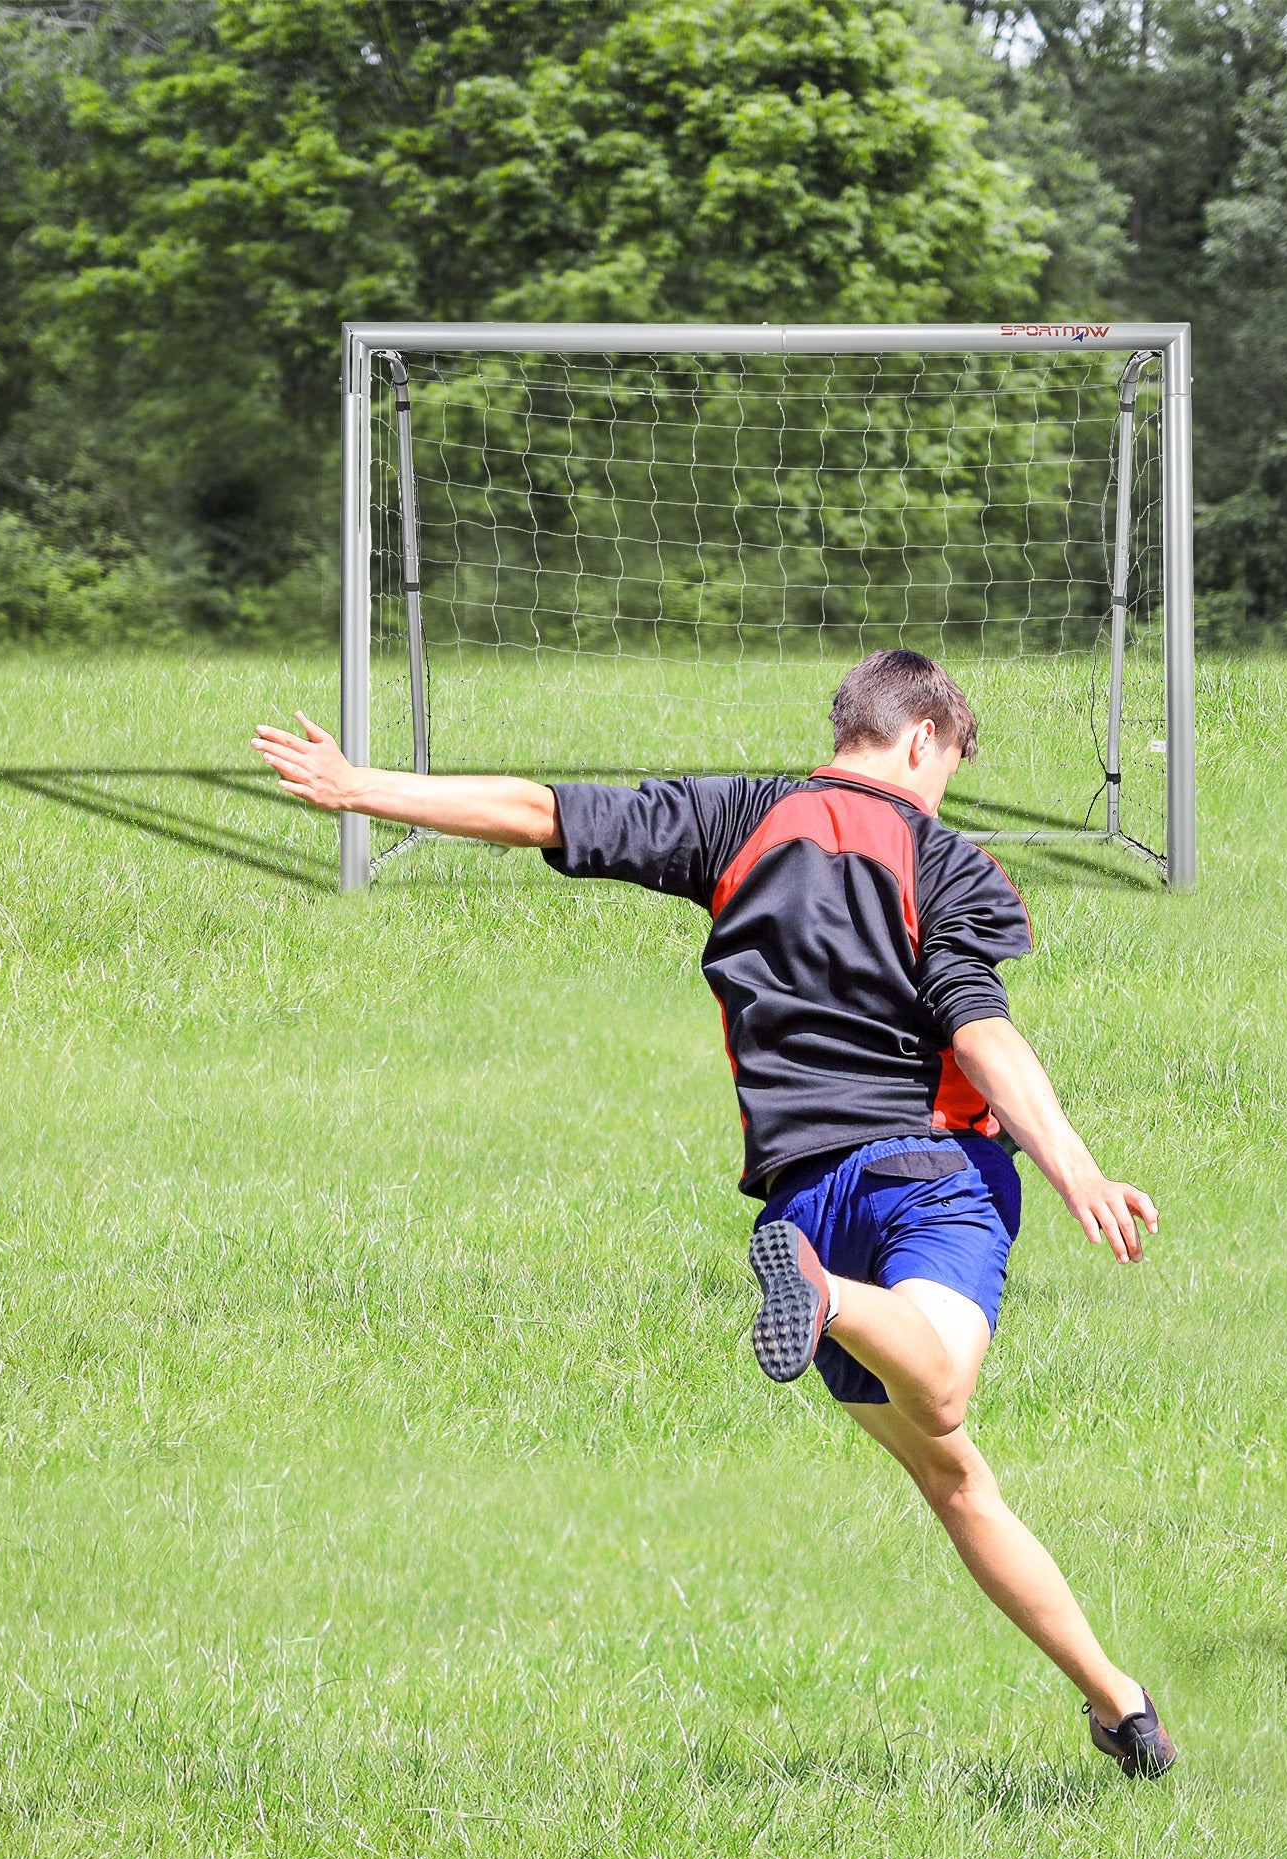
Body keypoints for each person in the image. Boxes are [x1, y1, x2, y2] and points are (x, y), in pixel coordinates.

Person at [254, 648, 1177, 1777]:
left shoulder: (736, 816)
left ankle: (1116, 1703)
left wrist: (365, 788)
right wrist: (1075, 1163)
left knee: (951, 1472)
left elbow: (543, 810)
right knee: (941, 1381)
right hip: (925, 1174)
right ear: (922, 738)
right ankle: (829, 1298)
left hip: (804, 1196)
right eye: (950, 764)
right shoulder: (946, 862)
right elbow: (977, 1025)